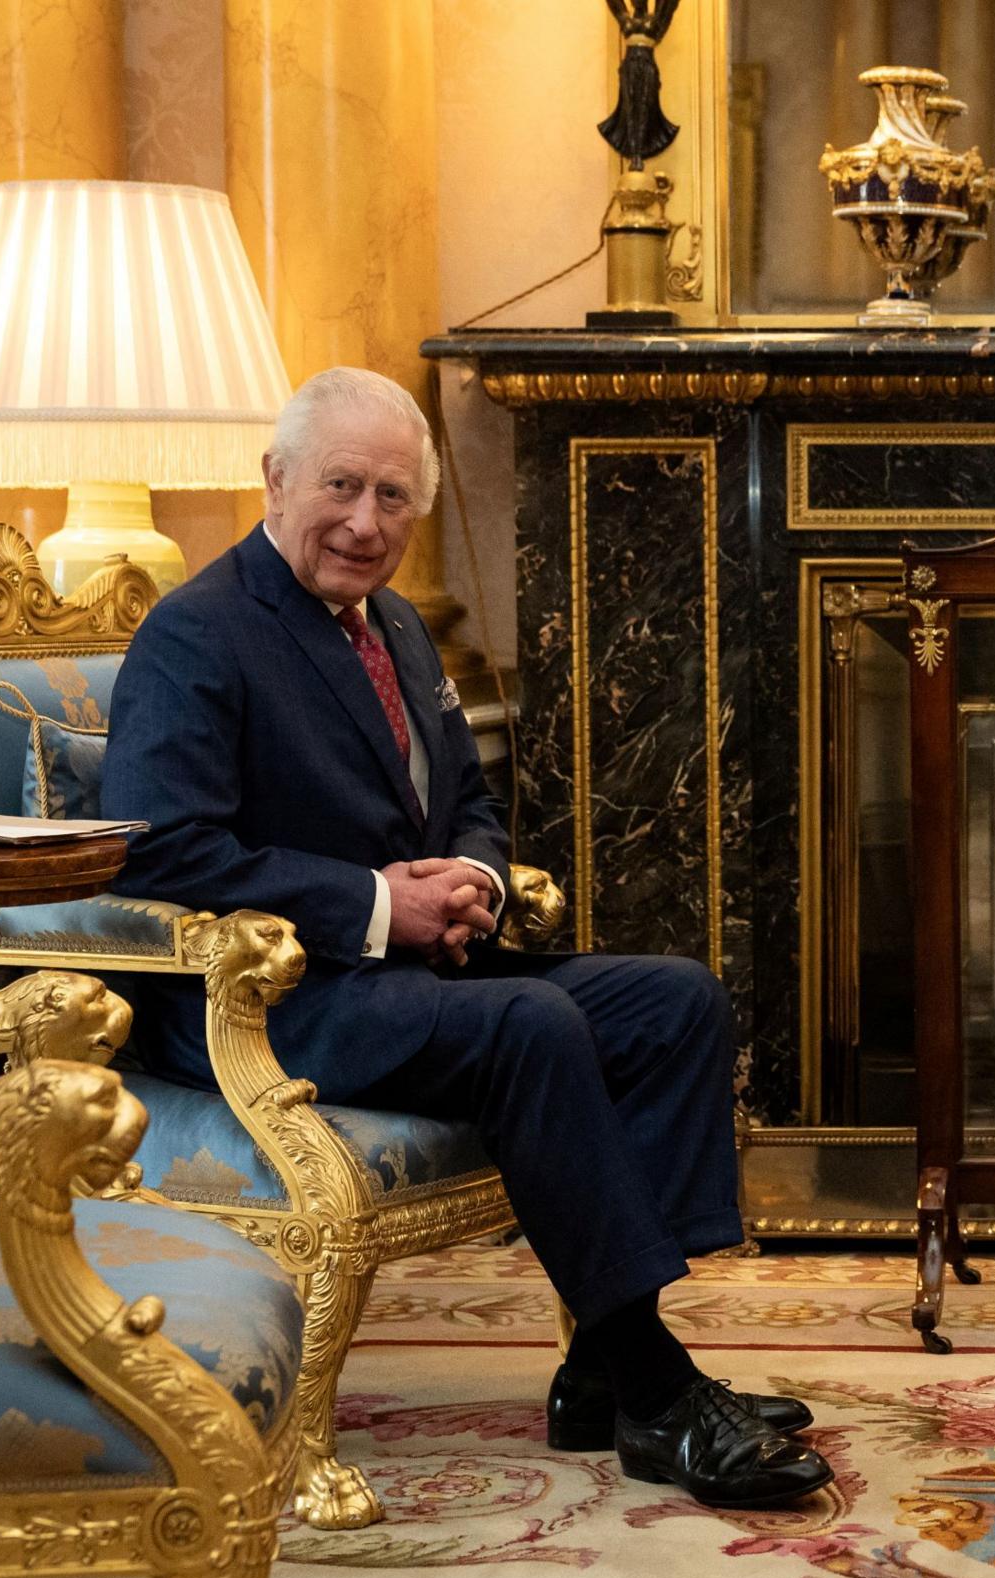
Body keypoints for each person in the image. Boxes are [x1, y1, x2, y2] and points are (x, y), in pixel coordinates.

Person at [103, 366, 830, 1509]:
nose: (365, 521)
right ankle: (658, 1385)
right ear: (276, 478)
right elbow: (164, 851)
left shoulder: (393, 623)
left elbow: (469, 807)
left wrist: (479, 880)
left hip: (410, 972)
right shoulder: (198, 632)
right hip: (273, 999)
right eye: (342, 486)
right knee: (531, 1020)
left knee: (676, 998)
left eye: (395, 497)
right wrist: (385, 905)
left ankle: (602, 1366)